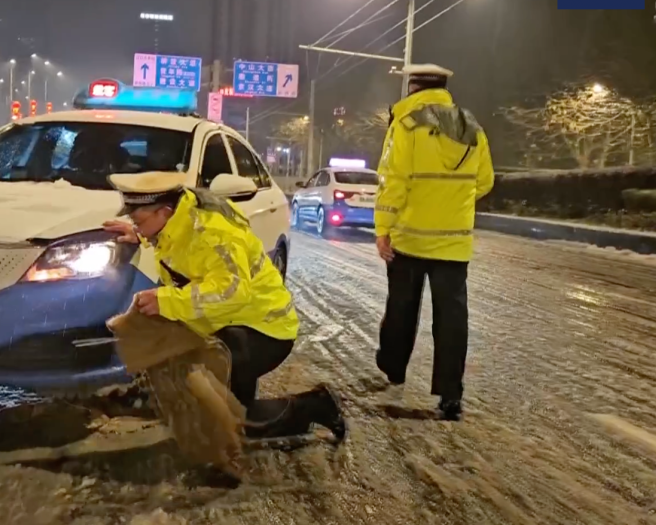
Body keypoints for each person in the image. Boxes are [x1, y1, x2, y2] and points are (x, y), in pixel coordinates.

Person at [103, 171, 346, 442]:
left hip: (263, 331)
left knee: (229, 416)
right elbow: (183, 250)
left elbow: (230, 291)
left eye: (138, 219)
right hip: (232, 324)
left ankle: (316, 405)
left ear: (164, 211)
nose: (134, 222)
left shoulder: (213, 234)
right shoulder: (180, 222)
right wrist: (141, 235)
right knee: (218, 407)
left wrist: (167, 301)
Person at [373, 64, 495, 421]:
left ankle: (393, 369)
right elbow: (484, 181)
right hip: (454, 245)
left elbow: (393, 181)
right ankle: (450, 395)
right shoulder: (472, 129)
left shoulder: (406, 125)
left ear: (413, 88)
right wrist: (452, 203)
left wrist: (384, 228)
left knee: (401, 310)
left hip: (409, 240)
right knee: (452, 320)